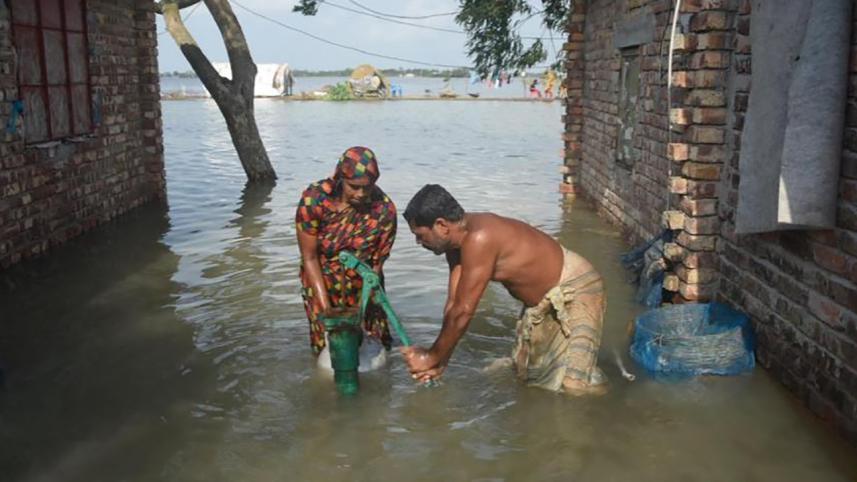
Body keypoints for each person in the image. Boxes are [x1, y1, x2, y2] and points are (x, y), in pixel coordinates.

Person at [400, 185, 607, 395]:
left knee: (574, 385)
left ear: (441, 225)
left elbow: (464, 312)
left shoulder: (480, 238)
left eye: (420, 235)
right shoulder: (455, 246)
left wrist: (430, 357)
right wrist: (441, 360)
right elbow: (454, 306)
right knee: (529, 375)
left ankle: (609, 405)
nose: (418, 242)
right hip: (541, 302)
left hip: (577, 287)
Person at [295, 146, 397, 358]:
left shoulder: (383, 210)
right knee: (327, 347)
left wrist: (360, 312)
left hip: (364, 285)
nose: (361, 194)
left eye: (367, 187)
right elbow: (309, 257)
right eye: (354, 187)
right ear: (341, 178)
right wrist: (327, 310)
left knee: (375, 343)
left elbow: (376, 267)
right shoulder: (314, 200)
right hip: (321, 281)